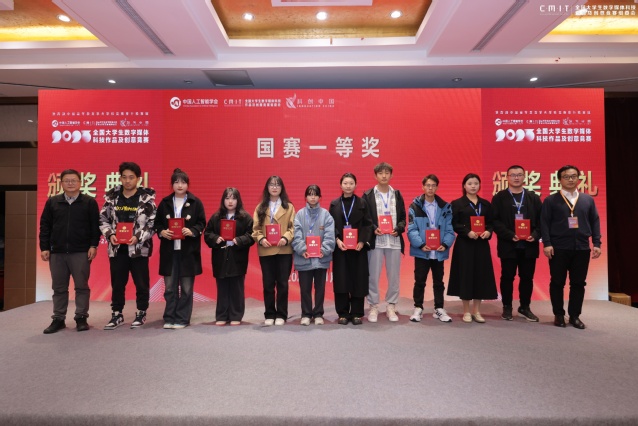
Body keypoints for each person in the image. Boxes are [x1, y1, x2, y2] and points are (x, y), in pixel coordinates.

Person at [39, 169, 100, 333]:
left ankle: (81, 317)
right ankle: (58, 319)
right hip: (57, 252)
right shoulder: (52, 202)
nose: (70, 183)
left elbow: (95, 227)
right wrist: (44, 247)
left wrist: (93, 245)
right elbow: (45, 226)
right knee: (59, 287)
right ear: (61, 183)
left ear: (80, 183)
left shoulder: (89, 202)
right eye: (67, 180)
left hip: (80, 251)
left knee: (81, 286)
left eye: (74, 180)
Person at [541, 165, 602, 329]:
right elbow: (544, 223)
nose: (570, 179)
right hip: (558, 248)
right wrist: (547, 243)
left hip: (582, 248)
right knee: (557, 282)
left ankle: (575, 316)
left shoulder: (587, 200)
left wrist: (597, 243)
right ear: (559, 180)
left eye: (574, 176)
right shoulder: (551, 200)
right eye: (566, 177)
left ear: (578, 179)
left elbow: (595, 221)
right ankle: (559, 314)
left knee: (578, 283)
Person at [99, 162, 156, 330]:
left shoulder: (146, 199)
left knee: (141, 283)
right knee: (117, 283)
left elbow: (152, 224)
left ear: (138, 179)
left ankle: (141, 312)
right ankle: (117, 314)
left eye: (131, 177)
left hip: (139, 249)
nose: (127, 181)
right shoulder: (111, 198)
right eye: (124, 177)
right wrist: (110, 234)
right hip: (117, 249)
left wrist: (138, 237)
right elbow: (102, 219)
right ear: (120, 178)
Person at [154, 169, 206, 329]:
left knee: (186, 288)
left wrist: (193, 231)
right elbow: (157, 223)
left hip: (188, 252)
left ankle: (183, 318)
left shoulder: (195, 203)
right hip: (169, 252)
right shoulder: (165, 203)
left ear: (188, 184)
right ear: (172, 185)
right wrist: (162, 232)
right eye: (176, 182)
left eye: (183, 182)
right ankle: (169, 317)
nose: (180, 185)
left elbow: (202, 223)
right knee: (169, 287)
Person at [492, 165, 542, 322]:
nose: (516, 177)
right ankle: (507, 307)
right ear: (507, 177)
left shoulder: (533, 198)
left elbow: (542, 221)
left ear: (524, 177)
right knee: (507, 277)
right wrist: (509, 235)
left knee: (527, 278)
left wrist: (535, 235)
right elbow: (494, 221)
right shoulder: (499, 197)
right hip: (509, 245)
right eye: (513, 175)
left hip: (529, 245)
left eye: (519, 175)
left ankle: (525, 307)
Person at [448, 173, 497, 323]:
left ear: (479, 185)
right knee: (466, 275)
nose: (473, 186)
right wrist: (466, 232)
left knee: (480, 275)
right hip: (465, 244)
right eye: (470, 183)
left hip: (481, 244)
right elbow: (453, 223)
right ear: (464, 186)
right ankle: (466, 311)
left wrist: (488, 231)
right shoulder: (457, 204)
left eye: (476, 183)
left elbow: (491, 222)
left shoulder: (485, 204)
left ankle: (477, 311)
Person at [407, 174, 456, 323]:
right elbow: (411, 229)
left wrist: (445, 244)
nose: (430, 188)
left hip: (439, 251)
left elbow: (450, 229)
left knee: (439, 282)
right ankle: (418, 308)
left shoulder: (445, 207)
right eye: (428, 185)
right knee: (419, 281)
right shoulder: (414, 206)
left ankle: (439, 308)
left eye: (433, 185)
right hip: (422, 251)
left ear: (437, 187)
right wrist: (421, 244)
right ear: (423, 187)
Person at [362, 162, 406, 323]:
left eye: (387, 173)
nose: (384, 176)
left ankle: (391, 305)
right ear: (375, 175)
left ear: (391, 175)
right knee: (373, 275)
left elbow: (403, 218)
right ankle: (373, 305)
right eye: (381, 173)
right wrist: (374, 228)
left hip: (393, 240)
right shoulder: (368, 195)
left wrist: (398, 229)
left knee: (394, 276)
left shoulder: (397, 194)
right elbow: (365, 218)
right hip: (376, 241)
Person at [204, 187, 255, 326]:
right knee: (222, 287)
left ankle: (236, 315)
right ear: (223, 200)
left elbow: (252, 235)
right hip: (220, 258)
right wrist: (216, 238)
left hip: (237, 258)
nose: (230, 201)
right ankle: (222, 315)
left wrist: (239, 240)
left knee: (237, 288)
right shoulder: (216, 217)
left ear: (238, 200)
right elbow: (207, 234)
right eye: (227, 198)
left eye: (233, 198)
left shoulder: (245, 218)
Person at [329, 173, 373, 325]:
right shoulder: (334, 204)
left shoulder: (362, 203)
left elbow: (368, 224)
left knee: (358, 280)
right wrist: (337, 239)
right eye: (345, 183)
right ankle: (342, 313)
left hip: (358, 249)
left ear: (355, 185)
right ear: (340, 185)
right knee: (341, 280)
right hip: (341, 248)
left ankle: (356, 313)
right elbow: (330, 225)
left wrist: (362, 241)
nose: (348, 186)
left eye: (351, 183)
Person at [252, 176, 295, 326]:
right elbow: (255, 229)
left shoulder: (289, 207)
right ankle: (269, 313)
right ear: (267, 187)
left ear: (282, 188)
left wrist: (286, 237)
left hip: (284, 250)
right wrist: (261, 239)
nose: (274, 187)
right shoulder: (260, 207)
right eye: (271, 185)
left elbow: (293, 227)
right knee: (268, 284)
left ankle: (282, 314)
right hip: (266, 250)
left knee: (283, 284)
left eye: (277, 185)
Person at [291, 185, 335, 326]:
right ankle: (306, 314)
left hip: (321, 258)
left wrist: (324, 250)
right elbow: (296, 235)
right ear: (306, 197)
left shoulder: (326, 215)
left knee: (320, 289)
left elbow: (330, 235)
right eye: (310, 194)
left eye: (315, 195)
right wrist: (302, 249)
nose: (313, 197)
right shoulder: (299, 215)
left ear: (320, 197)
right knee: (305, 289)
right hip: (304, 258)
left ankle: (318, 314)